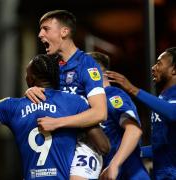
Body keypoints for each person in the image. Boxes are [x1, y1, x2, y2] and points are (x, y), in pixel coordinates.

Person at [25, 10, 109, 179]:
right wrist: (30, 89)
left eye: (46, 29)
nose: (40, 35)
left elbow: (100, 113)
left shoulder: (86, 64)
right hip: (58, 141)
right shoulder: (50, 65)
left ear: (64, 32)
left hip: (85, 143)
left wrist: (57, 123)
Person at [0, 54, 93, 179]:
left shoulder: (12, 107)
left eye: (27, 74)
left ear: (31, 79)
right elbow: (102, 145)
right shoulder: (76, 103)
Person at [105, 47, 176, 179]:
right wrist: (128, 152)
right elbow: (161, 147)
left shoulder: (169, 102)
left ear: (174, 69)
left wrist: (133, 89)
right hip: (162, 173)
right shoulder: (163, 99)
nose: (153, 67)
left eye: (159, 63)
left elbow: (173, 113)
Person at [86, 52, 150, 180]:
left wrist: (114, 165)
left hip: (129, 175)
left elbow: (134, 130)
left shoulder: (113, 95)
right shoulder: (90, 101)